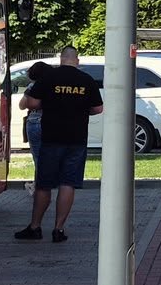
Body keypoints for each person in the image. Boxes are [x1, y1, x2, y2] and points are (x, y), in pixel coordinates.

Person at [15, 48, 100, 243]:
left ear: (61, 59)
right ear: (76, 60)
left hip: (51, 138)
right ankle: (58, 230)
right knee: (68, 183)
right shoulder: (86, 80)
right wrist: (79, 109)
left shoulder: (49, 77)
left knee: (44, 184)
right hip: (77, 139)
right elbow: (98, 108)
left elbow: (32, 102)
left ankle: (35, 227)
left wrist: (51, 104)